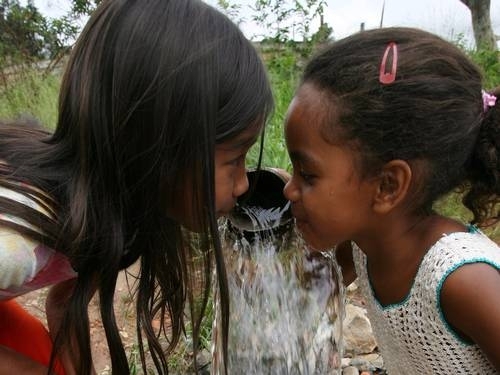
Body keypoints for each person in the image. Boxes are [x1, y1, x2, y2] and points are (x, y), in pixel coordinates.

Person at [0, 0, 273, 374]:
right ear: (161, 148)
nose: (243, 184)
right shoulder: (17, 243)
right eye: (234, 160)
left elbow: (65, 303)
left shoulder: (113, 212)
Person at [283, 26, 500, 373]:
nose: (289, 190)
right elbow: (304, 291)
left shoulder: (464, 279)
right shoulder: (362, 244)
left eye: (307, 175)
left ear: (387, 186)